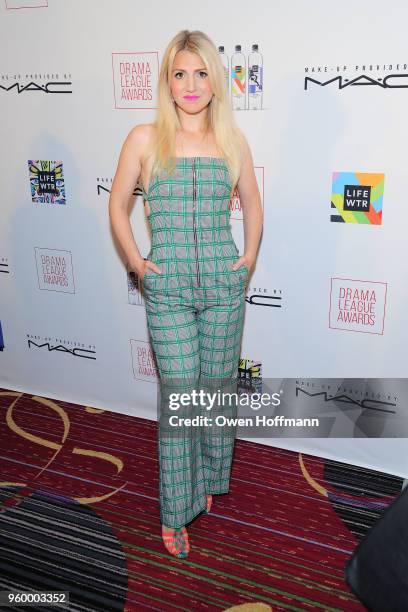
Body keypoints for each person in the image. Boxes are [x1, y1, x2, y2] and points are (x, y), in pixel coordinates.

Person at [108, 29, 263, 558]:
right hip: (168, 284)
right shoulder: (144, 139)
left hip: (223, 283)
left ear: (215, 83)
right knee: (181, 396)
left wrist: (246, 258)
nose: (191, 85)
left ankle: (207, 482)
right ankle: (176, 512)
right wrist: (137, 264)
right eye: (180, 74)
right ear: (167, 83)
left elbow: (253, 204)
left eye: (201, 74)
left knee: (215, 390)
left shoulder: (232, 142)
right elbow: (116, 208)